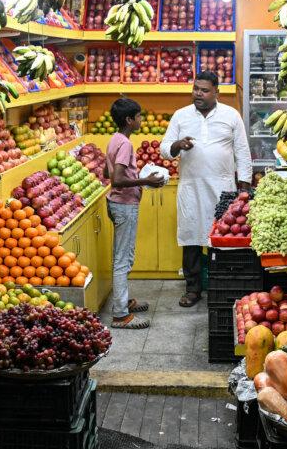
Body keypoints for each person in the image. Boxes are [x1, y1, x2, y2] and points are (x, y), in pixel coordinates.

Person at [161, 71, 253, 307]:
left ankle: (220, 285)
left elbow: (242, 151)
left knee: (223, 239)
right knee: (191, 239)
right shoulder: (181, 116)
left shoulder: (230, 116)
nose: (198, 94)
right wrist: (177, 145)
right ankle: (193, 289)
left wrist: (244, 186)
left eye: (204, 90)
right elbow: (164, 148)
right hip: (191, 188)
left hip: (222, 189)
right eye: (195, 89)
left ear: (216, 92)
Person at [105, 97, 164, 329]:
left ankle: (123, 301)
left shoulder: (115, 140)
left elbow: (105, 169)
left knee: (122, 257)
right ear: (129, 120)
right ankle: (120, 315)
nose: (141, 119)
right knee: (123, 260)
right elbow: (117, 179)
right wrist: (145, 180)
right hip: (124, 205)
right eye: (139, 116)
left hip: (116, 203)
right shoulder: (126, 144)